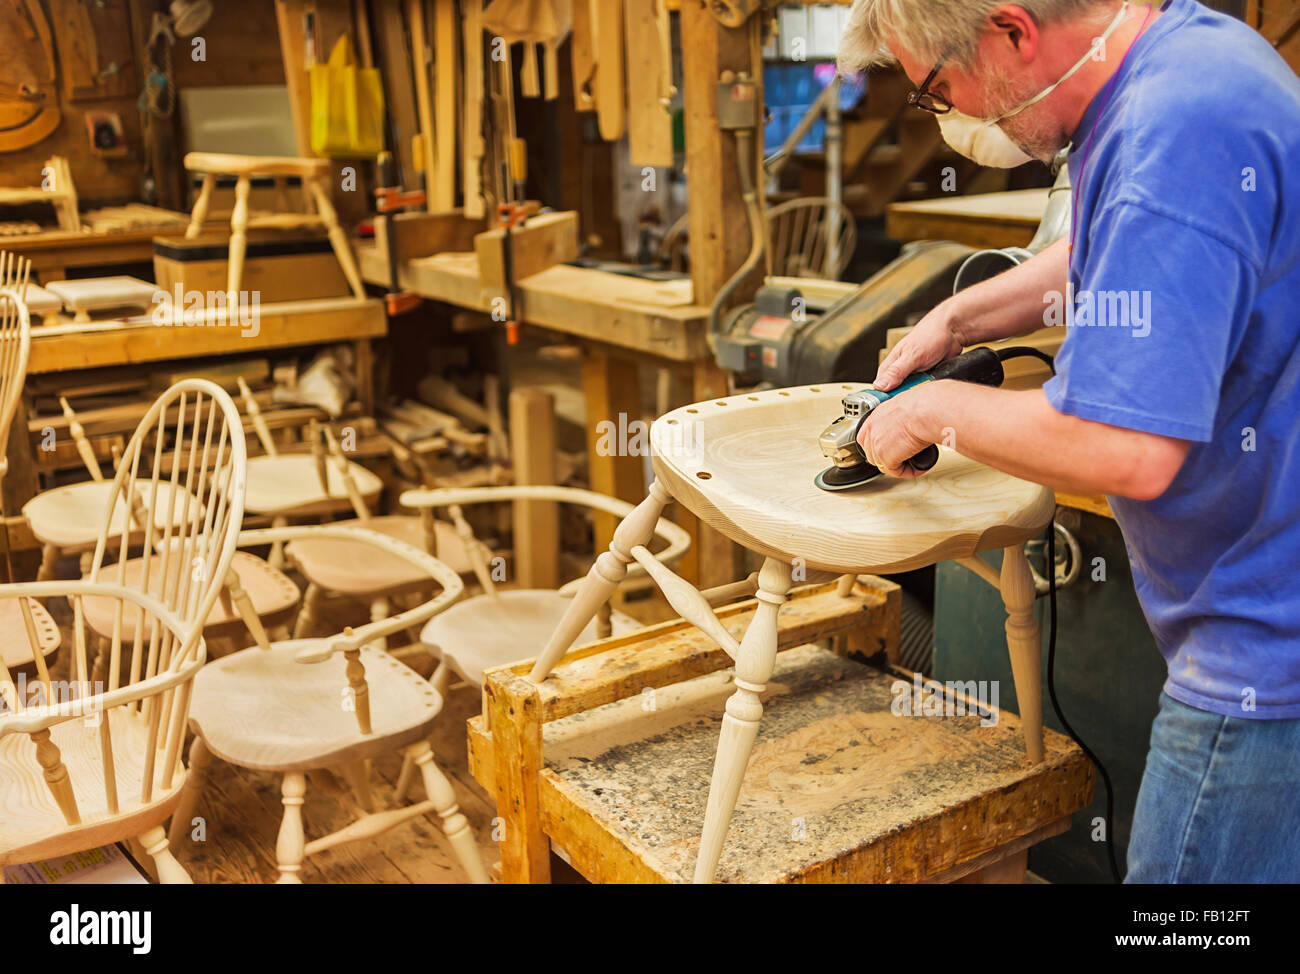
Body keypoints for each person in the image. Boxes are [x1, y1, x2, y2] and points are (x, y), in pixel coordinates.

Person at [836, 0, 1300, 882]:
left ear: (1011, 32)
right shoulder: (1181, 60)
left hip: (1264, 652)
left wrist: (934, 412)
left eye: (940, 89)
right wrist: (962, 316)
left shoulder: (1175, 128)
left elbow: (1125, 447)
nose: (955, 117)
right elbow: (1115, 241)